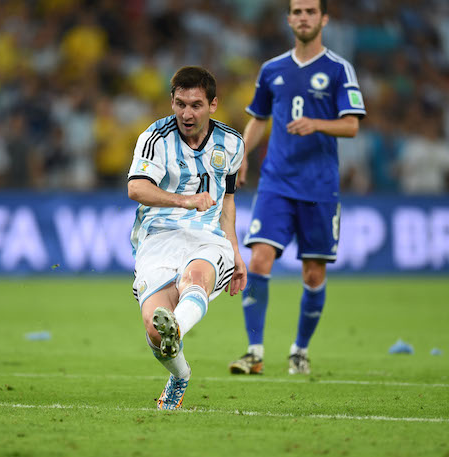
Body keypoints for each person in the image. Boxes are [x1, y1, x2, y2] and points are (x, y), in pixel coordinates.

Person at [228, 0, 366, 376]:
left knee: (313, 274)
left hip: (320, 187)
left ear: (323, 18)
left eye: (310, 11)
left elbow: (352, 125)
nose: (303, 17)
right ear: (289, 19)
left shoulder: (339, 69)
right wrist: (242, 154)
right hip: (276, 182)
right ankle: (254, 352)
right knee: (258, 259)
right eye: (297, 11)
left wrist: (317, 124)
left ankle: (299, 350)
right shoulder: (272, 69)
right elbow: (258, 118)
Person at [127, 66, 247, 410]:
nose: (186, 113)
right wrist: (184, 200)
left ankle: (175, 328)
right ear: (171, 101)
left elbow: (227, 200)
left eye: (195, 105)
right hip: (158, 237)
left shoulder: (232, 143)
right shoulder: (155, 137)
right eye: (180, 104)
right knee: (153, 329)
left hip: (207, 238)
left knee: (196, 277)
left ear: (213, 104)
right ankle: (179, 374)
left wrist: (236, 254)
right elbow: (136, 187)